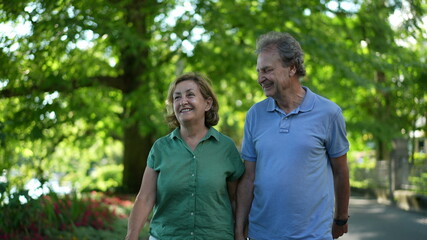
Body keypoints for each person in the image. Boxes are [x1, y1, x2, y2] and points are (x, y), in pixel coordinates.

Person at [235, 32, 350, 240]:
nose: (261, 78)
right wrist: (239, 227)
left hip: (312, 235)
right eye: (259, 71)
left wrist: (341, 218)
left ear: (292, 68)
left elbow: (341, 172)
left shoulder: (329, 113)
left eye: (267, 70)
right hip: (262, 234)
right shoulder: (255, 115)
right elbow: (248, 177)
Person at [125, 72, 245, 240]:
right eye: (177, 97)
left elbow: (236, 200)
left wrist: (240, 234)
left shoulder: (226, 148)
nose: (183, 101)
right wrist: (131, 236)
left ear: (207, 103)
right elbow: (145, 198)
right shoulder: (160, 148)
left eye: (190, 95)